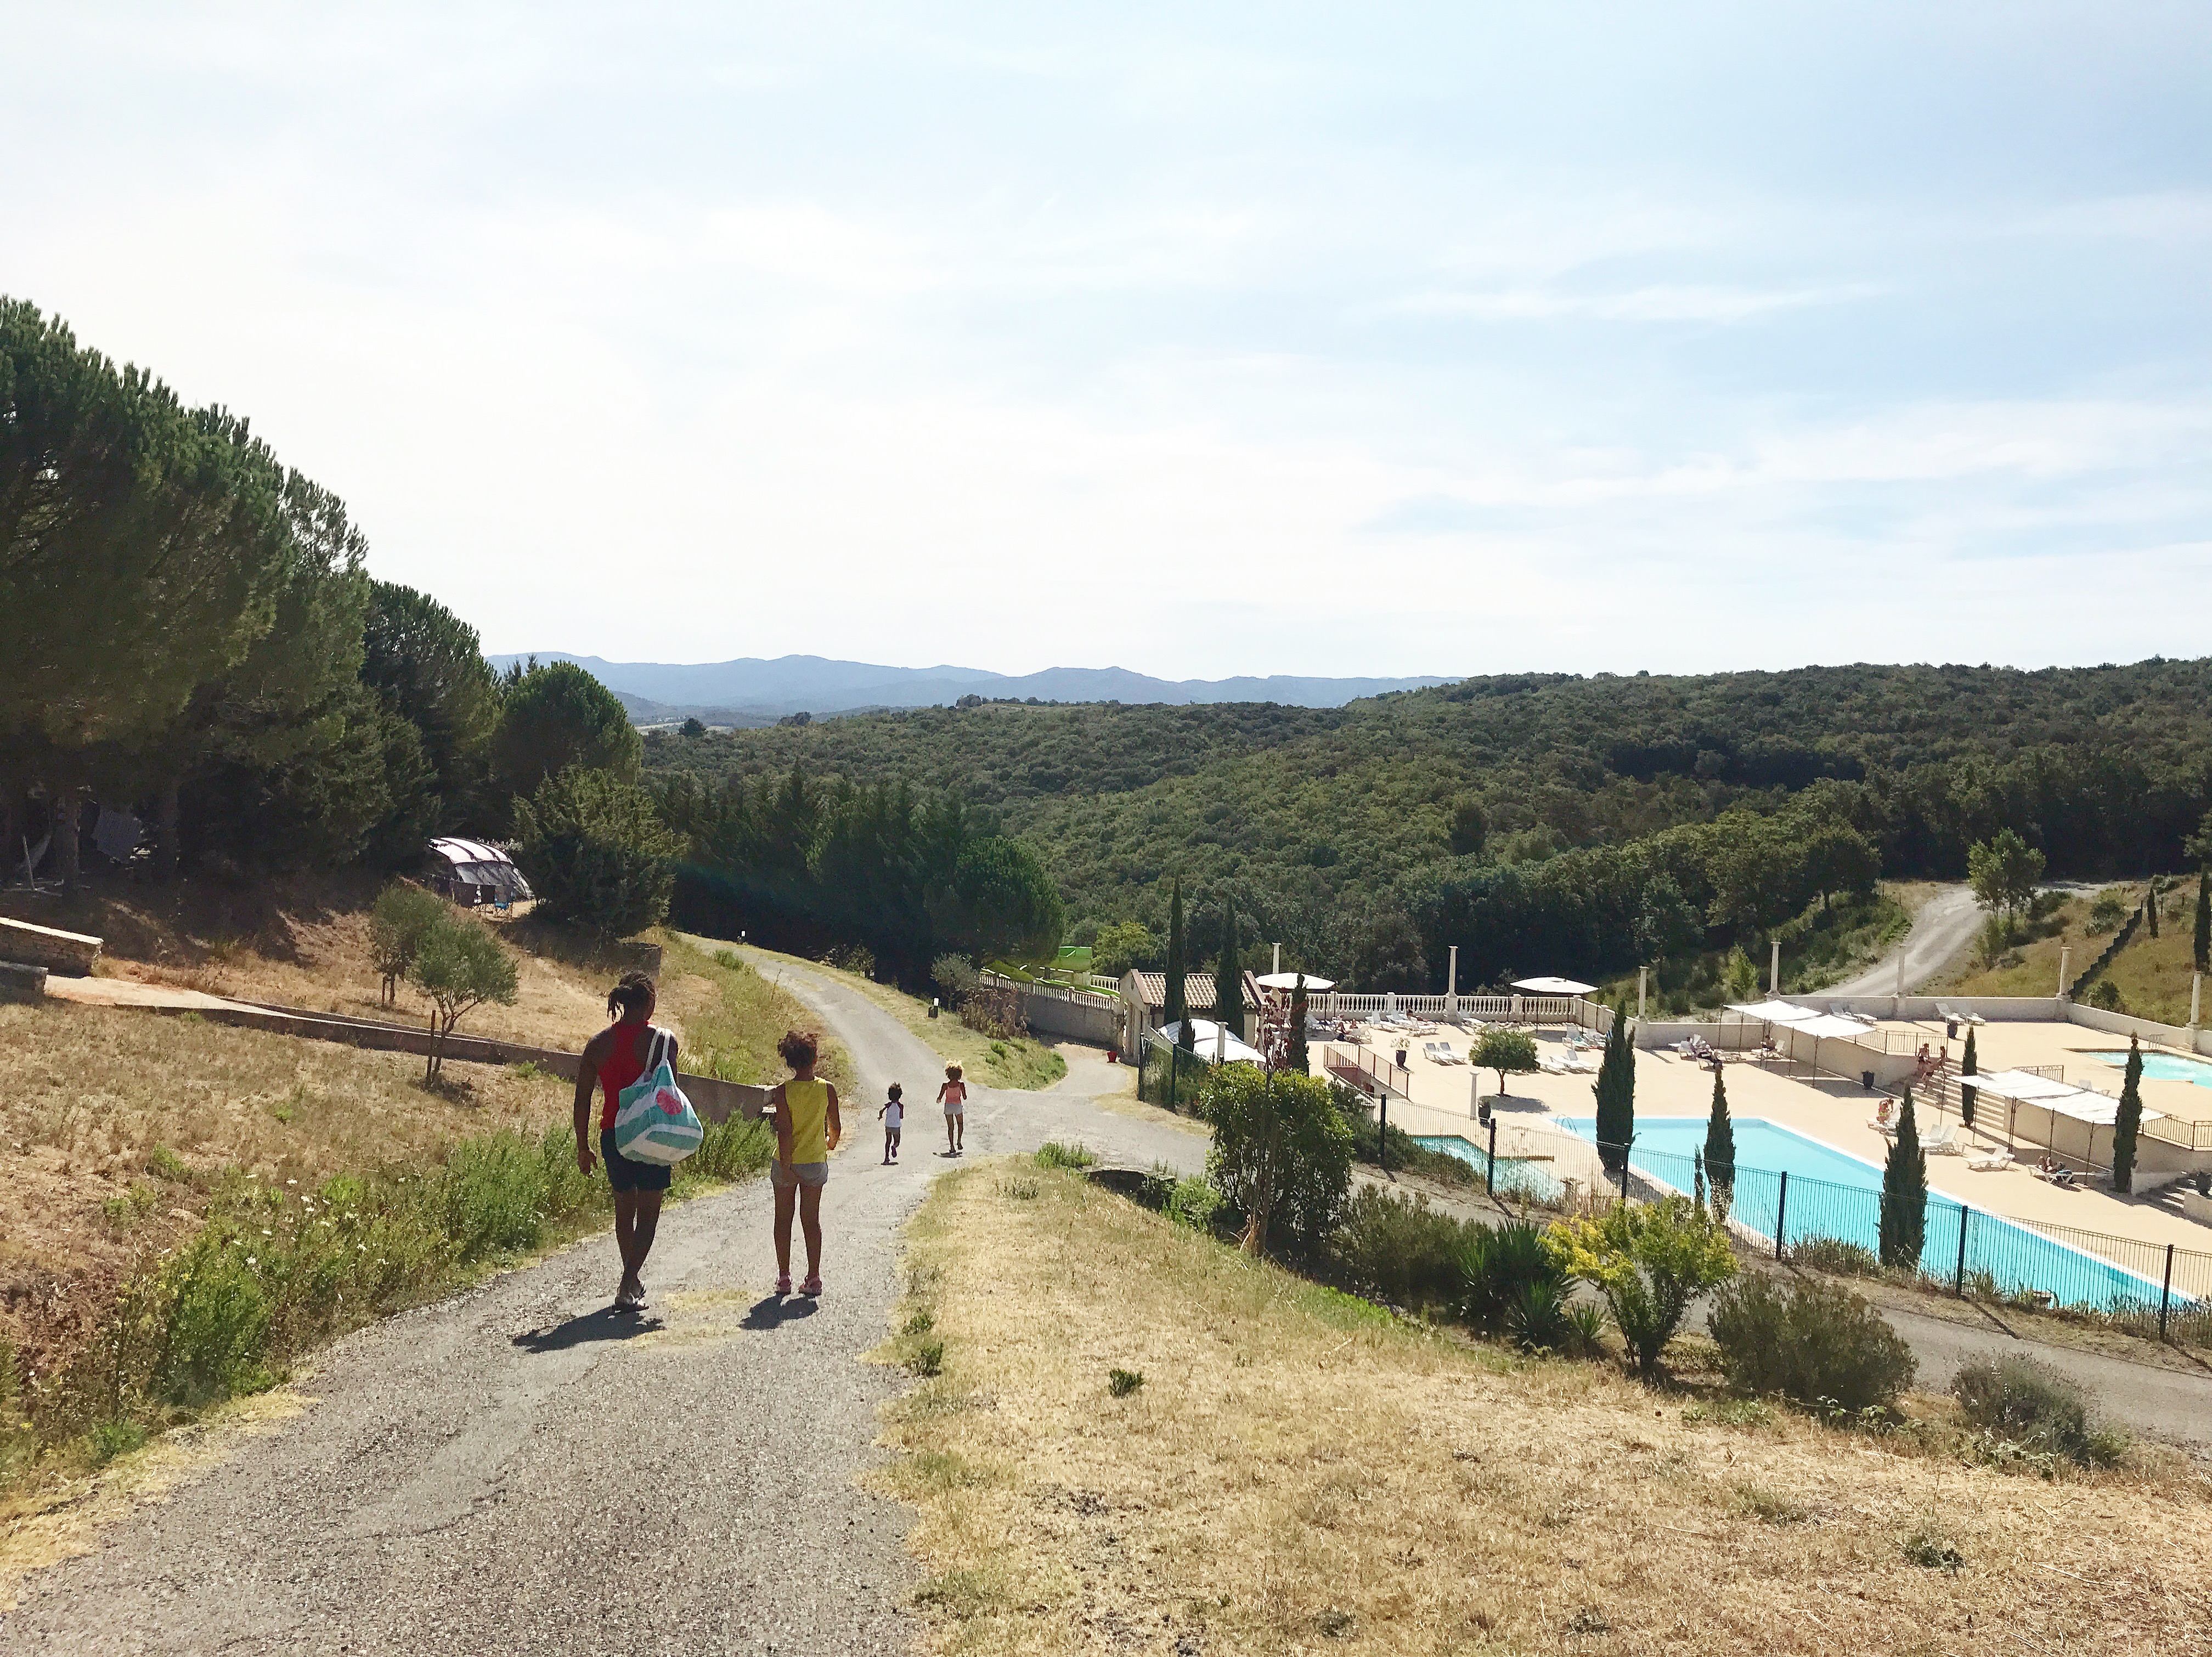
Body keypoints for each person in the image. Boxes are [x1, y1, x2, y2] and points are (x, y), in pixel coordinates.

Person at [573, 972, 675, 1311]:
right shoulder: (663, 1042)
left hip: (613, 1134)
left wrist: (583, 1146)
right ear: (649, 1003)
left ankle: (631, 1282)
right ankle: (626, 1285)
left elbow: (582, 1100)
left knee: (624, 1212)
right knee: (648, 1214)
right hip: (651, 1135)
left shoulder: (597, 1044)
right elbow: (671, 1095)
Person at [765, 1029, 839, 1296]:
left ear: (790, 1062)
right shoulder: (827, 1089)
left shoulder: (783, 1092)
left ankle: (784, 1277)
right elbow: (835, 1126)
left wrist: (786, 1164)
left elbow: (784, 1132)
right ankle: (814, 1277)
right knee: (811, 1220)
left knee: (783, 1220)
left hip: (787, 1162)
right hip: (814, 1162)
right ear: (815, 1058)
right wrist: (830, 1143)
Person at [937, 1062, 967, 1156]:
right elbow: (965, 1097)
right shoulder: (961, 1085)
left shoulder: (945, 1085)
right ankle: (959, 1141)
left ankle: (952, 1146)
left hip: (949, 1106)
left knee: (951, 1127)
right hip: (957, 1106)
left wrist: (939, 1100)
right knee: (960, 1124)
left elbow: (940, 1097)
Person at [879, 1083, 904, 1164]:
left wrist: (880, 1117)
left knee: (888, 1141)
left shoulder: (889, 1105)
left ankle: (887, 1158)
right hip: (896, 1126)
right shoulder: (900, 1106)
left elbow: (881, 1111)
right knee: (897, 1141)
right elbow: (901, 1117)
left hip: (888, 1125)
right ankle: (894, 1147)